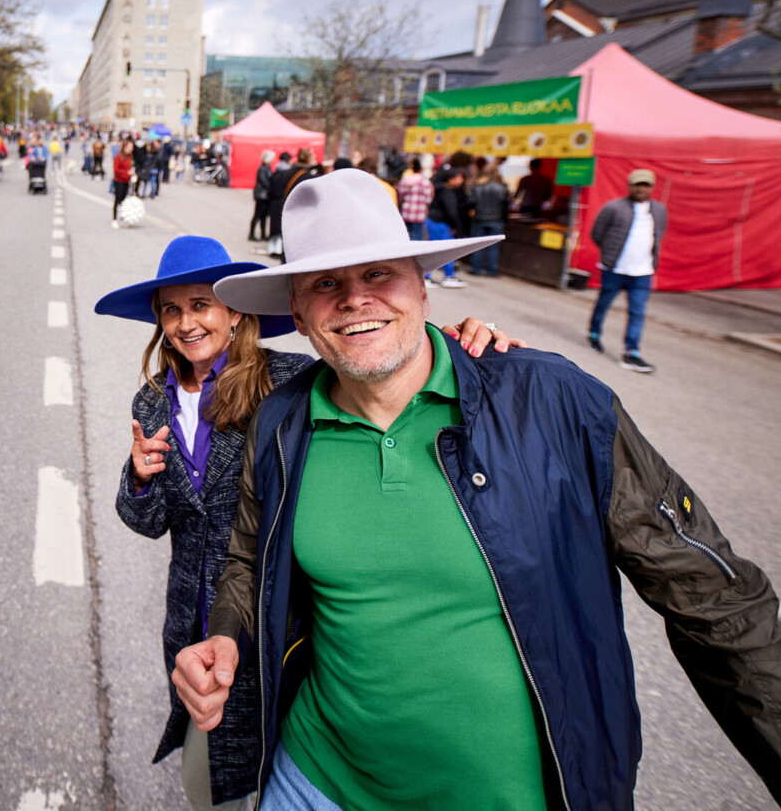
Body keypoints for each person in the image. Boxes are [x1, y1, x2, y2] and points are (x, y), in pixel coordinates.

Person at [172, 169, 781, 811]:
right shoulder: (284, 420)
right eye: (325, 282)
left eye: (380, 273)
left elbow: (720, 608)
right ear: (297, 311)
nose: (355, 298)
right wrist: (229, 637)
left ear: (422, 285)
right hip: (315, 784)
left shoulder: (554, 405)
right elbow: (247, 556)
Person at [96, 234, 520, 811]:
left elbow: (378, 362)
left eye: (200, 305)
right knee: (211, 778)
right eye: (171, 309)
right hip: (195, 624)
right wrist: (140, 478)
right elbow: (147, 524)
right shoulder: (151, 401)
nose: (185, 323)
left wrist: (458, 338)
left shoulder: (290, 382)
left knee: (277, 759)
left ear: (234, 310)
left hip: (280, 624)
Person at [589, 168, 666, 374]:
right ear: (630, 185)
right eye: (637, 184)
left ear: (652, 187)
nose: (641, 188)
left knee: (637, 312)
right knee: (603, 303)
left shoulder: (658, 210)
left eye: (646, 185)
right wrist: (609, 254)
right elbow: (597, 233)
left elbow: (659, 235)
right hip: (615, 268)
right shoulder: (613, 208)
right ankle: (594, 334)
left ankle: (631, 352)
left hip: (642, 272)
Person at [423, 167, 469, 288]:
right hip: (440, 223)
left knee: (436, 249)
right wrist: (455, 225)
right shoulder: (448, 192)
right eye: (459, 178)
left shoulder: (439, 190)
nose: (461, 180)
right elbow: (451, 212)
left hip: (433, 221)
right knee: (445, 250)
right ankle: (446, 276)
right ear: (450, 179)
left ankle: (431, 276)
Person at [468, 160, 510, 277]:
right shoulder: (502, 187)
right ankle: (491, 270)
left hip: (480, 218)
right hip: (496, 220)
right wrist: (504, 219)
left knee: (478, 244)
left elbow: (471, 202)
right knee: (494, 246)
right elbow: (506, 205)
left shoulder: (478, 186)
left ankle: (475, 268)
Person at [394, 156, 431, 242]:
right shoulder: (425, 182)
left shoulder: (405, 180)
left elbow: (400, 196)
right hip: (419, 214)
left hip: (406, 212)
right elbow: (428, 199)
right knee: (417, 237)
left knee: (406, 236)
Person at [250, 152, 275, 244]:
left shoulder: (267, 168)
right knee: (257, 215)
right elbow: (264, 181)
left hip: (265, 195)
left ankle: (263, 234)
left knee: (264, 216)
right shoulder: (262, 169)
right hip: (261, 195)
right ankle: (251, 234)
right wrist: (272, 187)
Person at [112, 142, 135, 226]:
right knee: (117, 200)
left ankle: (122, 217)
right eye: (130, 147)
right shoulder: (119, 157)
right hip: (119, 181)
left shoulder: (130, 157)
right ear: (125, 147)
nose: (131, 149)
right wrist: (127, 173)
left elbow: (131, 167)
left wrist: (132, 173)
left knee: (124, 201)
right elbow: (116, 170)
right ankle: (114, 219)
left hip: (127, 181)